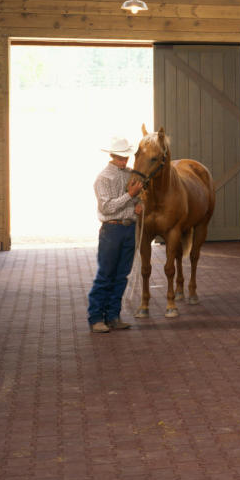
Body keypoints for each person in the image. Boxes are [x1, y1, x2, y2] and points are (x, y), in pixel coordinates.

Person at [88, 136, 144, 333]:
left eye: (126, 157)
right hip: (112, 230)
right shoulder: (103, 178)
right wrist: (130, 195)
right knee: (106, 274)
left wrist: (139, 203)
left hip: (129, 228)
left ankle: (113, 316)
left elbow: (140, 198)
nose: (124, 161)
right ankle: (96, 318)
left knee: (121, 275)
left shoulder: (130, 174)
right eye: (121, 157)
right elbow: (107, 207)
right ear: (112, 156)